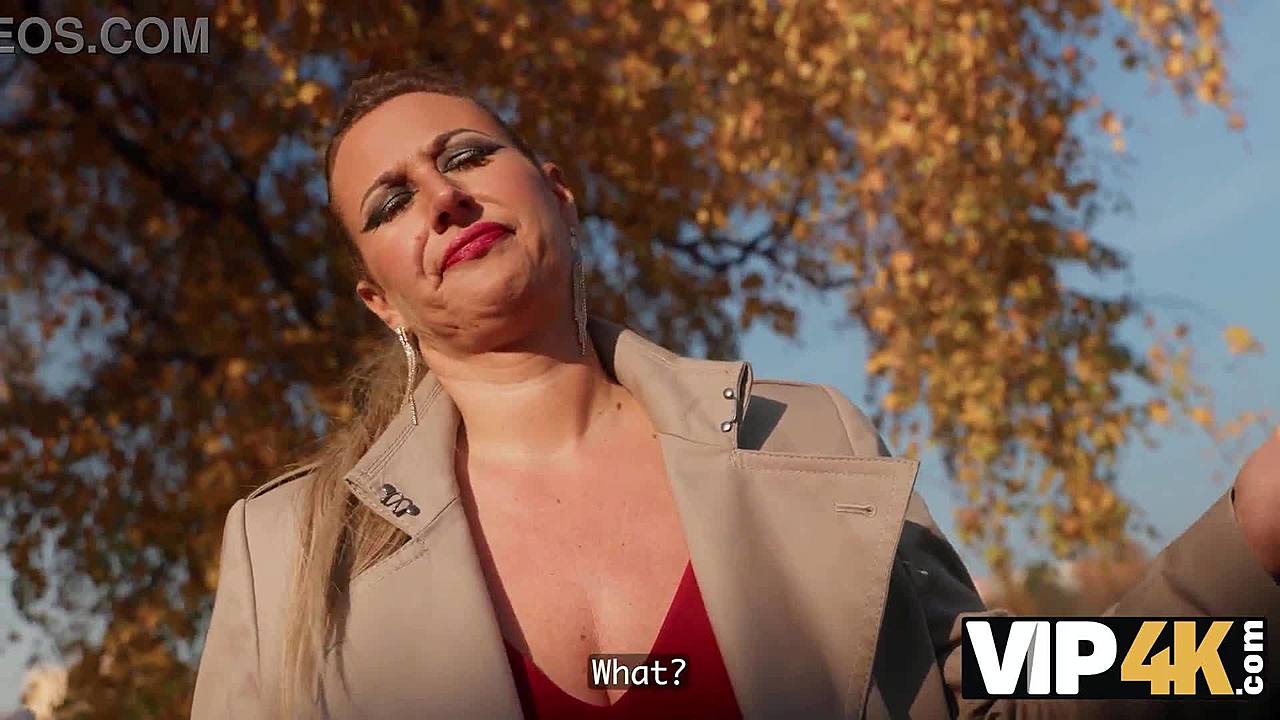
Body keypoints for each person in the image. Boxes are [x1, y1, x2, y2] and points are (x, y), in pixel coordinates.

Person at [191, 66, 1280, 719]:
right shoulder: (285, 549)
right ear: (378, 299)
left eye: (467, 154)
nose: (441, 196)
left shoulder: (804, 434)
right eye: (389, 202)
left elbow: (987, 694)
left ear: (557, 195)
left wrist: (1249, 555)